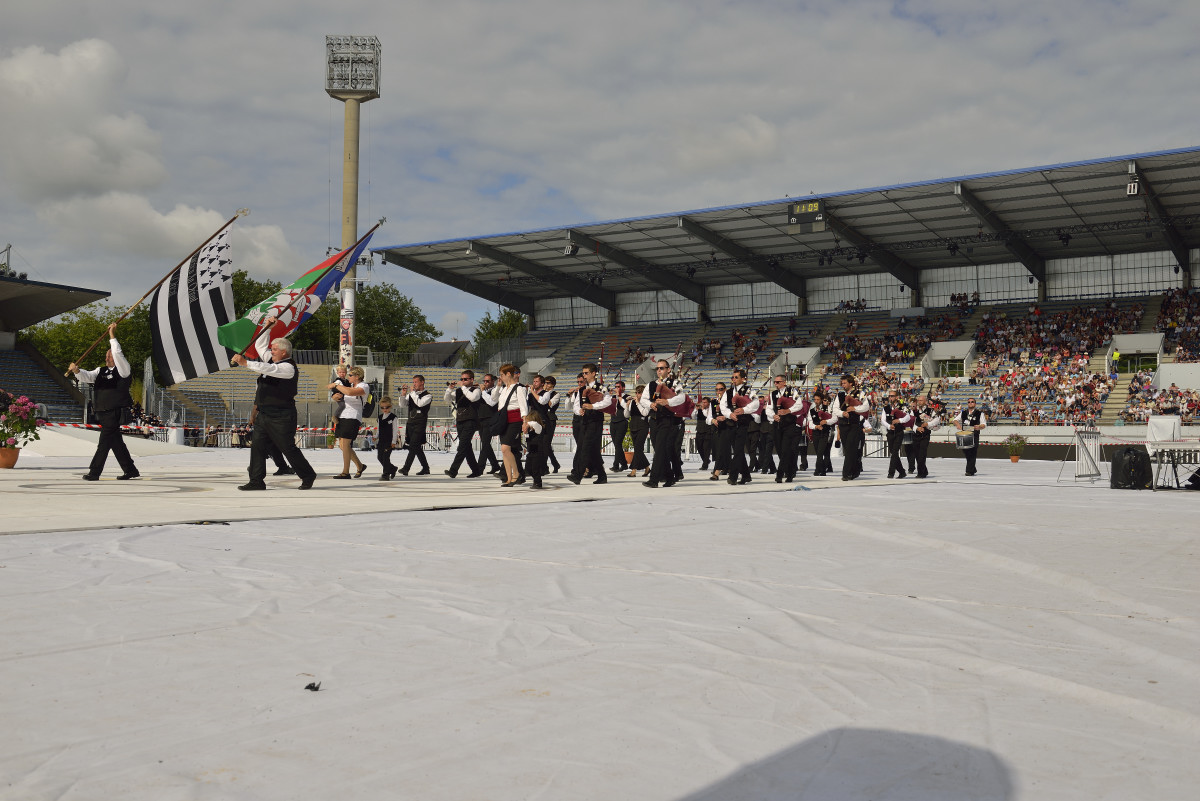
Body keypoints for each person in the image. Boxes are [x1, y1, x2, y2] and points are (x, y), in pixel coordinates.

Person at [230, 332, 317, 490]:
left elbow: (269, 369)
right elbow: (259, 345)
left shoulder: (288, 367)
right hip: (264, 414)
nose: (272, 351)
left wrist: (246, 363)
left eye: (275, 349)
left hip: (282, 415)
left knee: (287, 447)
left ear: (284, 352)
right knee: (257, 446)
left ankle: (308, 474)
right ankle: (256, 481)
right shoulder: (272, 360)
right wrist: (268, 327)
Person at [70, 323, 139, 481]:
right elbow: (87, 376)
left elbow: (118, 353)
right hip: (103, 411)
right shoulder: (100, 371)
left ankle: (94, 472)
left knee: (104, 442)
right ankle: (130, 470)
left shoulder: (123, 370)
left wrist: (112, 336)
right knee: (116, 442)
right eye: (107, 356)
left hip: (115, 411)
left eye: (109, 357)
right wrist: (76, 371)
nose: (107, 358)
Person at [639, 360, 687, 488]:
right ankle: (669, 477)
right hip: (654, 419)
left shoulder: (674, 383)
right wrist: (651, 404)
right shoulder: (651, 385)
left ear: (668, 370)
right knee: (660, 449)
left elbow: (682, 398)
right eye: (657, 369)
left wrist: (667, 402)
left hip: (667, 420)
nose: (659, 371)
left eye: (662, 368)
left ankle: (654, 479)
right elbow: (643, 399)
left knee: (660, 449)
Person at [568, 363, 612, 485]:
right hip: (584, 421)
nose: (584, 375)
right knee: (591, 450)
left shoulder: (601, 387)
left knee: (585, 448)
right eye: (583, 373)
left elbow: (607, 401)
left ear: (593, 373)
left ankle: (578, 475)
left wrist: (593, 406)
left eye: (586, 373)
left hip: (596, 421)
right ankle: (602, 476)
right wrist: (579, 411)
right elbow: (576, 405)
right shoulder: (581, 389)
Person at [720, 368, 759, 485]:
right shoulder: (728, 392)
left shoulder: (749, 391)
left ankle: (733, 476)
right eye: (732, 377)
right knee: (738, 452)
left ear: (743, 379)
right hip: (731, 423)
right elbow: (723, 406)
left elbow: (755, 404)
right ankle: (746, 475)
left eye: (736, 377)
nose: (733, 379)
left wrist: (744, 410)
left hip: (743, 424)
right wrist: (729, 414)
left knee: (737, 450)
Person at [327, 365, 368, 479]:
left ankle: (345, 472)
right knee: (342, 445)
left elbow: (350, 392)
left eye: (350, 375)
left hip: (353, 416)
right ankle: (359, 465)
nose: (348, 376)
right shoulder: (348, 385)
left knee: (345, 444)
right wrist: (335, 396)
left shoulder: (364, 386)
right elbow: (342, 395)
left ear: (357, 376)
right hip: (343, 416)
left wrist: (336, 385)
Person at [444, 369, 484, 478]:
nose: (463, 381)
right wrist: (449, 389)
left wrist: (463, 387)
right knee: (466, 447)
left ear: (472, 379)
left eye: (465, 379)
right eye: (461, 379)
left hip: (471, 420)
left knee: (462, 446)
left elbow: (472, 398)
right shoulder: (459, 391)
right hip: (460, 420)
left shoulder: (476, 390)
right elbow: (447, 399)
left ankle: (453, 470)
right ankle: (476, 470)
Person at [495, 363, 529, 487]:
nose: (501, 377)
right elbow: (496, 401)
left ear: (509, 374)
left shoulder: (519, 388)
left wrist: (524, 422)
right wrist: (498, 387)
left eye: (502, 375)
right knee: (505, 451)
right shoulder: (503, 389)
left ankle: (517, 474)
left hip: (515, 421)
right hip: (503, 421)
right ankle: (509, 478)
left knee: (505, 448)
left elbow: (523, 406)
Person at [832, 374, 870, 481]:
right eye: (842, 383)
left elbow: (866, 406)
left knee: (850, 448)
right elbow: (834, 409)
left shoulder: (860, 393)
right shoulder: (839, 395)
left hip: (854, 425)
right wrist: (842, 413)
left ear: (851, 383)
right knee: (848, 449)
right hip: (843, 425)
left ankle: (846, 473)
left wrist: (855, 409)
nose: (842, 385)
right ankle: (855, 469)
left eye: (844, 383)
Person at [768, 375, 804, 483]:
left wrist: (788, 410)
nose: (776, 384)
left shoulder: (792, 391)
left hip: (789, 425)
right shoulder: (773, 394)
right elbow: (769, 408)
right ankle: (790, 472)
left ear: (784, 382)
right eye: (775, 382)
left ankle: (780, 474)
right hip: (777, 425)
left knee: (785, 450)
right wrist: (773, 416)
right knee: (780, 450)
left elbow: (799, 405)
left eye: (778, 382)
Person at [398, 375, 432, 476]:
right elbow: (402, 405)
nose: (414, 384)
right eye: (413, 382)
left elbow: (420, 403)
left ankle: (406, 468)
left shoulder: (428, 395)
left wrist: (412, 393)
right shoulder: (412, 394)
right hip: (410, 423)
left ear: (422, 382)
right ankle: (426, 468)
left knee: (413, 445)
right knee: (416, 446)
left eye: (416, 382)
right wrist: (403, 395)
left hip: (420, 423)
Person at [249, 404, 294, 475]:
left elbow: (256, 405)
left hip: (271, 423)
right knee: (271, 449)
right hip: (273, 422)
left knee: (270, 449)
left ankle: (255, 467)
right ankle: (283, 467)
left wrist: (253, 417)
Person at [881, 389, 912, 479]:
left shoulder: (902, 406)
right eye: (889, 396)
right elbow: (882, 420)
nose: (890, 398)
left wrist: (899, 420)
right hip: (890, 432)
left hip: (899, 432)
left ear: (897, 397)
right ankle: (902, 472)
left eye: (892, 396)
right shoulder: (886, 408)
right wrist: (888, 426)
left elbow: (908, 417)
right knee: (893, 453)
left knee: (894, 452)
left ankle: (891, 473)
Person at [475, 373, 503, 474]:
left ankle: (479, 468)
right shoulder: (482, 392)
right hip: (481, 419)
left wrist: (482, 391)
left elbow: (491, 402)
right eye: (484, 381)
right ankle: (495, 465)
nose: (485, 383)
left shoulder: (496, 391)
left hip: (490, 419)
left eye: (487, 381)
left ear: (493, 382)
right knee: (485, 444)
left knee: (485, 443)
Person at [909, 395, 940, 479]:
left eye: (921, 400)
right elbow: (911, 423)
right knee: (917, 454)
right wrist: (917, 428)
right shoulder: (913, 411)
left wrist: (928, 424)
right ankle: (924, 471)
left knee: (922, 454)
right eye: (918, 400)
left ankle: (920, 473)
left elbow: (937, 420)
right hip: (916, 434)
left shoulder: (930, 410)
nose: (919, 402)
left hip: (925, 435)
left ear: (925, 401)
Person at [955, 397, 987, 476]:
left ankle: (969, 471)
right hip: (965, 434)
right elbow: (955, 420)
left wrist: (979, 426)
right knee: (966, 451)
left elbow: (984, 424)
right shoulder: (963, 412)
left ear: (975, 404)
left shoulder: (980, 413)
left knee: (973, 452)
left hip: (974, 434)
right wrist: (958, 424)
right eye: (969, 402)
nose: (970, 403)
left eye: (972, 402)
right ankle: (973, 467)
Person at [807, 390, 834, 476]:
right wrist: (816, 426)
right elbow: (810, 422)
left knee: (820, 452)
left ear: (822, 400)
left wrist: (826, 421)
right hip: (815, 432)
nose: (816, 401)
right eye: (815, 399)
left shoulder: (828, 408)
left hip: (825, 432)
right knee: (818, 451)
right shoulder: (811, 410)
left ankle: (817, 469)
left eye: (818, 399)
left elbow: (833, 419)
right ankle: (822, 470)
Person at [627, 383, 651, 477]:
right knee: (638, 450)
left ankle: (633, 469)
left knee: (638, 448)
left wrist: (638, 403)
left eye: (640, 393)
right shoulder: (633, 402)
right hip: (633, 426)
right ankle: (647, 467)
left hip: (643, 426)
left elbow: (644, 413)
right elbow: (627, 415)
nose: (638, 395)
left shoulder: (646, 402)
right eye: (637, 393)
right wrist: (627, 405)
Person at [522, 410, 549, 489]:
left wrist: (526, 424)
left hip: (538, 451)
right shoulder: (529, 430)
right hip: (531, 450)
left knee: (535, 469)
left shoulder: (539, 428)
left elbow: (535, 424)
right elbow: (527, 440)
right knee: (528, 469)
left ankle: (538, 482)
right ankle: (535, 480)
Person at [608, 380, 630, 474]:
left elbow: (625, 407)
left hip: (622, 421)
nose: (617, 388)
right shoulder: (613, 397)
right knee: (616, 444)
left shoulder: (627, 397)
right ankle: (624, 464)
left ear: (623, 388)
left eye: (619, 387)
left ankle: (616, 465)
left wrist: (619, 396)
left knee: (618, 443)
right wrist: (608, 396)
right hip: (613, 421)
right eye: (616, 387)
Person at [375, 396, 399, 480]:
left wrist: (393, 441)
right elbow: (378, 429)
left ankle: (386, 474)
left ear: (390, 406)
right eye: (382, 407)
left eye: (387, 407)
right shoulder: (379, 417)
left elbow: (395, 430)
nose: (385, 409)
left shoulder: (393, 418)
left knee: (386, 457)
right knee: (380, 457)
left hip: (389, 441)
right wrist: (376, 436)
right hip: (381, 441)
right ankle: (392, 468)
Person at [694, 397, 713, 471]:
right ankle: (706, 460)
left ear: (708, 403)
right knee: (699, 447)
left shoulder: (710, 409)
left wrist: (703, 410)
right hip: (699, 430)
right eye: (703, 402)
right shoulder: (699, 410)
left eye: (705, 402)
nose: (703, 404)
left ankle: (705, 465)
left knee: (706, 449)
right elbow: (693, 416)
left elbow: (708, 417)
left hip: (708, 431)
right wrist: (696, 409)